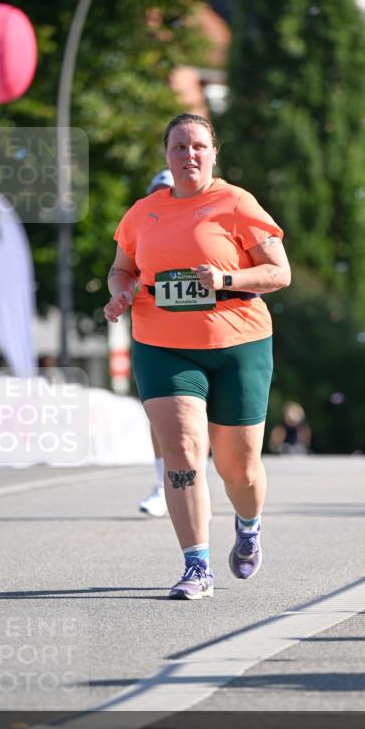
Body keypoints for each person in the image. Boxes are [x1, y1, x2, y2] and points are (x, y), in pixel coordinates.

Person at [104, 113, 290, 599]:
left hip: (238, 344)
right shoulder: (143, 212)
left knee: (239, 467)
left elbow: (278, 273)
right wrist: (120, 294)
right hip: (161, 346)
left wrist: (226, 280)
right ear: (165, 155)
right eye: (178, 147)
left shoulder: (236, 204)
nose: (189, 155)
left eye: (198, 147)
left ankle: (248, 527)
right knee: (183, 453)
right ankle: (196, 567)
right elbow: (120, 269)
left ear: (213, 153)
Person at [138, 169, 174, 518]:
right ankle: (162, 485)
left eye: (170, 190)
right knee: (158, 414)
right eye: (158, 191)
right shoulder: (140, 228)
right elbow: (124, 273)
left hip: (202, 337)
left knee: (200, 419)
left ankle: (192, 480)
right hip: (156, 336)